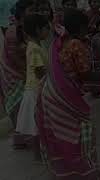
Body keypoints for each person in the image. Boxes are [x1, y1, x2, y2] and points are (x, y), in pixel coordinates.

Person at [35, 9, 100, 179]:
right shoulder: (76, 45)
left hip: (51, 95)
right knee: (78, 134)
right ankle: (84, 171)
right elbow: (84, 73)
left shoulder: (59, 42)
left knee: (61, 135)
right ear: (82, 28)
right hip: (64, 98)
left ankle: (65, 171)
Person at [0, 0, 36, 149]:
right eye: (31, 10)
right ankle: (21, 139)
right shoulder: (12, 31)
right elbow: (14, 57)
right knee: (17, 106)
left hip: (23, 72)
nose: (34, 13)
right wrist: (25, 73)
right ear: (22, 12)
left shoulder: (25, 29)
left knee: (23, 106)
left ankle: (23, 138)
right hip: (13, 75)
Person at [16, 14, 49, 160]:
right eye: (46, 29)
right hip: (36, 91)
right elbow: (40, 71)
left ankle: (39, 153)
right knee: (37, 126)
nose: (48, 32)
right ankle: (38, 155)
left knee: (37, 126)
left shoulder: (34, 46)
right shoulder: (35, 48)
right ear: (38, 30)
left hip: (34, 89)